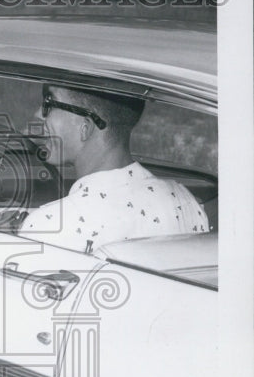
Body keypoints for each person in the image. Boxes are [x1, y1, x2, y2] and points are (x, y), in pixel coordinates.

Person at [20, 84, 209, 252]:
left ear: (85, 128)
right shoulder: (186, 201)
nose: (38, 113)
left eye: (49, 102)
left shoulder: (50, 225)